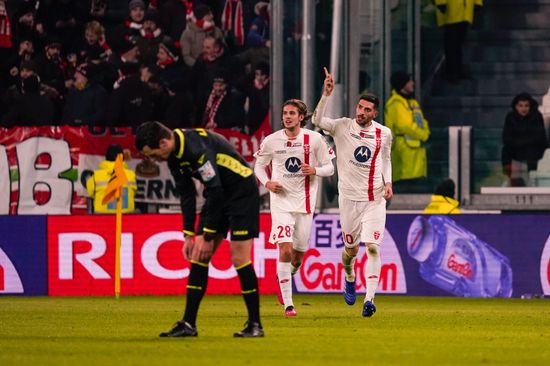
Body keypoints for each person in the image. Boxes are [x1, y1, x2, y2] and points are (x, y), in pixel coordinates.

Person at [135, 121, 263, 338]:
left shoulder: (195, 147)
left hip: (241, 192)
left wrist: (207, 234)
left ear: (164, 143)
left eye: (154, 154)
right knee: (198, 256)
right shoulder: (174, 156)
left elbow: (214, 189)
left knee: (239, 257)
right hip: (218, 194)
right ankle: (188, 324)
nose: (155, 160)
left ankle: (255, 325)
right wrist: (189, 234)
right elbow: (186, 195)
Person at [313, 68, 393, 317]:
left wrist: (388, 183)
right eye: (360, 107)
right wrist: (326, 95)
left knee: (373, 248)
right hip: (348, 200)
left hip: (374, 199)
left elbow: (386, 159)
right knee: (350, 253)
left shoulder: (384, 133)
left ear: (375, 113)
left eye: (367, 110)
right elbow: (316, 121)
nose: (361, 112)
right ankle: (349, 275)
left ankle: (369, 300)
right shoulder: (342, 127)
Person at [254, 99, 335, 316]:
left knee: (297, 258)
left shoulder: (315, 139)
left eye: (292, 113)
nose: (287, 116)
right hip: (281, 203)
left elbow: (330, 168)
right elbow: (259, 167)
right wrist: (267, 182)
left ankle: (285, 277)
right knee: (285, 249)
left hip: (305, 205)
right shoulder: (272, 141)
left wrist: (315, 170)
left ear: (301, 117)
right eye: (285, 113)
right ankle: (289, 304)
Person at [384, 71, 430, 188]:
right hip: (403, 150)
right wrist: (424, 135)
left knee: (416, 183)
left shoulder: (412, 102)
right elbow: (405, 125)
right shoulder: (395, 103)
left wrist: (425, 132)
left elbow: (422, 122)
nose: (412, 83)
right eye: (409, 81)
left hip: (415, 151)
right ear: (402, 84)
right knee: (406, 185)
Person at [502, 92, 548, 186]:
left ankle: (533, 179)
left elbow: (540, 137)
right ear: (516, 106)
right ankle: (507, 176)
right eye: (521, 106)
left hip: (533, 149)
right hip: (516, 148)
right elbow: (506, 137)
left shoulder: (536, 116)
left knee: (533, 151)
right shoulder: (510, 117)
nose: (524, 109)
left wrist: (523, 141)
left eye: (526, 106)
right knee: (505, 151)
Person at [435, 0, 483, 83]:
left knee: (458, 43)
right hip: (451, 9)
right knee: (452, 43)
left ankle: (457, 70)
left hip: (465, 10)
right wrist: (441, 2)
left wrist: (477, 2)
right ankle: (451, 72)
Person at [86, 144, 137, 213]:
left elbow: (90, 193)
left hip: (102, 218)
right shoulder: (131, 175)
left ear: (106, 157)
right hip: (125, 218)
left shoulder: (96, 176)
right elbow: (134, 192)